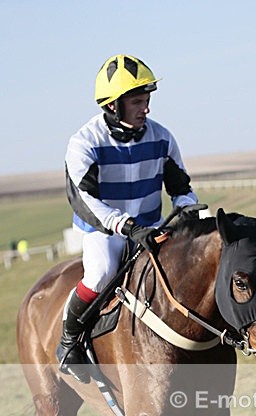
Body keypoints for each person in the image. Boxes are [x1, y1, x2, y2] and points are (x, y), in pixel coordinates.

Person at [58, 54, 199, 380]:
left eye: (147, 100)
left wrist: (189, 209)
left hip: (150, 227)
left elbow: (180, 187)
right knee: (102, 273)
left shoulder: (162, 137)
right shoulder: (84, 143)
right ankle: (68, 339)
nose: (146, 109)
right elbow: (85, 201)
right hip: (103, 231)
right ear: (112, 105)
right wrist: (126, 226)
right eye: (137, 101)